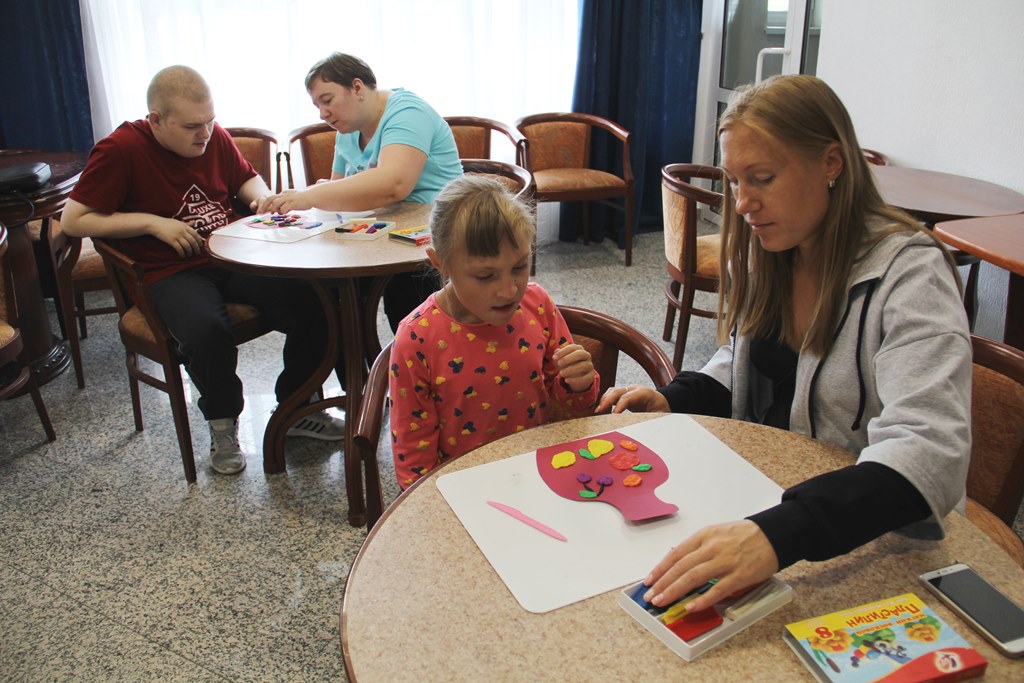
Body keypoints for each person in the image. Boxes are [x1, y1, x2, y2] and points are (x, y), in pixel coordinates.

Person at [595, 74, 971, 612]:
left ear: (831, 163)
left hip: (862, 534)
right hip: (772, 501)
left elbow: (930, 449)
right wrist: (676, 398)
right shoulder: (771, 247)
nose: (743, 204)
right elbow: (742, 360)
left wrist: (777, 535)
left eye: (763, 179)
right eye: (734, 182)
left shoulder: (910, 276)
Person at [61, 65, 344, 476]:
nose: (205, 134)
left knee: (317, 300)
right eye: (193, 126)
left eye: (210, 121)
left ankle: (297, 408)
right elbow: (74, 220)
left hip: (232, 254)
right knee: (206, 330)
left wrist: (262, 200)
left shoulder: (212, 135)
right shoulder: (120, 149)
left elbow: (247, 179)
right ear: (156, 120)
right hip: (170, 270)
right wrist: (153, 223)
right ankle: (223, 425)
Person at [389, 175, 599, 488]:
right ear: (440, 263)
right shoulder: (416, 339)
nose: (509, 290)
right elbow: (414, 459)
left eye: (519, 267)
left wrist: (579, 383)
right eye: (486, 276)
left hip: (536, 474)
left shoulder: (537, 304)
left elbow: (575, 403)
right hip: (462, 488)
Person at [256, 52, 463, 331]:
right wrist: (319, 194)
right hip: (382, 232)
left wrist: (309, 195)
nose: (322, 113)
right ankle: (351, 358)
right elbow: (337, 193)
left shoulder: (408, 112)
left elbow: (393, 184)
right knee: (322, 295)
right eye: (317, 105)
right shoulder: (347, 131)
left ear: (356, 87)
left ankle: (406, 355)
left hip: (432, 233)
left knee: (406, 299)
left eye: (327, 100)